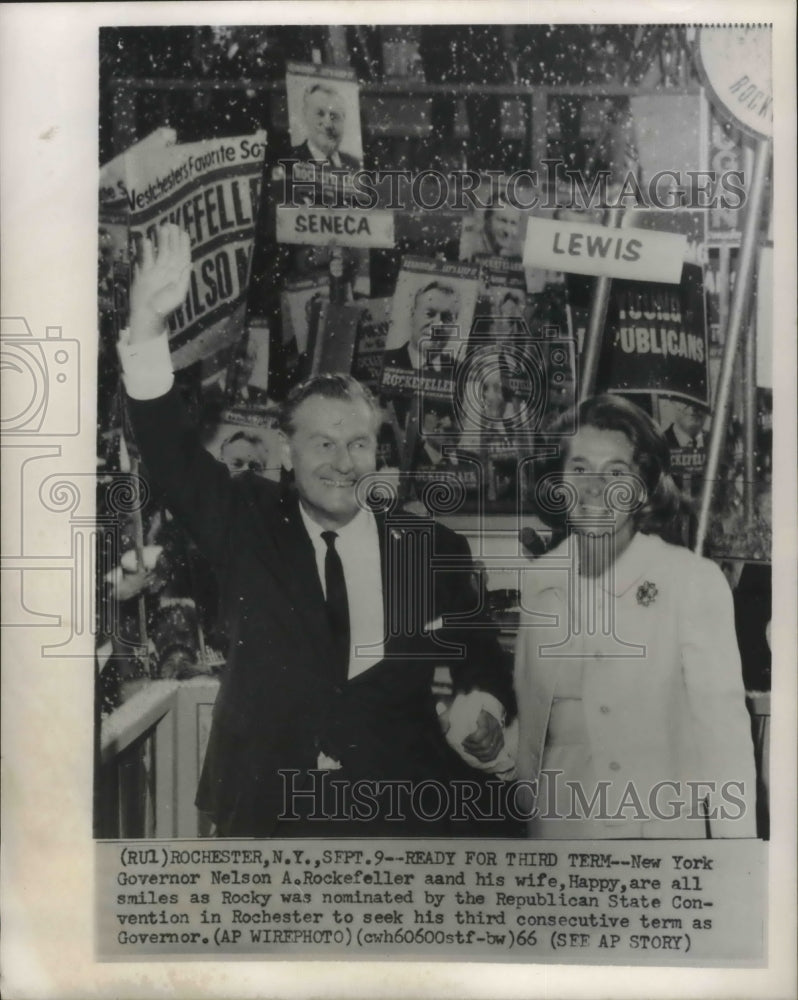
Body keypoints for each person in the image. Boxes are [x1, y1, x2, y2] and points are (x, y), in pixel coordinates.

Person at [118, 223, 516, 837]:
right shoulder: (246, 521)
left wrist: (482, 712)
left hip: (394, 819)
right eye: (322, 443)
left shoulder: (430, 548)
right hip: (267, 811)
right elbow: (170, 455)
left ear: (377, 452)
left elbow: (482, 664)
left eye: (358, 443)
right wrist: (145, 329)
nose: (341, 461)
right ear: (286, 451)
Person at [514, 394, 757, 838]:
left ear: (643, 484)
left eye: (615, 473)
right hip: (557, 825)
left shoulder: (690, 581)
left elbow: (725, 743)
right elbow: (536, 728)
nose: (593, 490)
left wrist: (732, 860)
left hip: (653, 831)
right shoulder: (540, 580)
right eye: (580, 469)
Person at [383, 281, 460, 372]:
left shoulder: (461, 371)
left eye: (446, 318)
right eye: (429, 314)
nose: (437, 325)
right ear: (412, 316)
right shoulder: (384, 361)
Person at [290, 82, 361, 169]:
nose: (328, 125)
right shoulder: (291, 161)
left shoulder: (354, 165)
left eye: (334, 116)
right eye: (320, 114)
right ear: (305, 116)